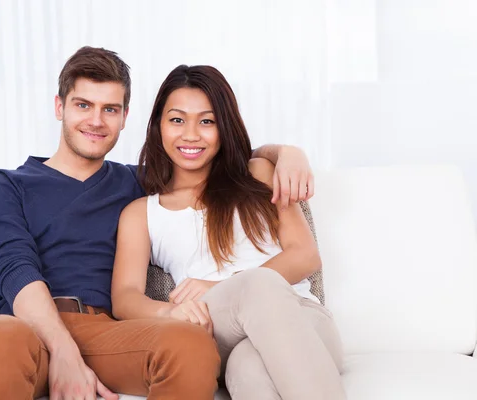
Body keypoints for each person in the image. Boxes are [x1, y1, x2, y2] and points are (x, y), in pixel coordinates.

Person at [0, 47, 316, 400]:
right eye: (83, 105)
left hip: (105, 332)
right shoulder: (9, 186)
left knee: (190, 345)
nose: (96, 121)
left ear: (125, 116)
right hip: (24, 328)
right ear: (60, 107)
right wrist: (63, 352)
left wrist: (285, 154)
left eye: (110, 109)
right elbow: (16, 270)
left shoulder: (138, 185)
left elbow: (212, 160)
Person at [111, 65, 346, 400]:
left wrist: (286, 153)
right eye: (177, 120)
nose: (191, 134)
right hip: (214, 322)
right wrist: (170, 312)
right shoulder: (142, 214)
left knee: (247, 368)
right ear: (158, 126)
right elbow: (125, 297)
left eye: (207, 121)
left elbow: (305, 255)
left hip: (304, 318)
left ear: (224, 126)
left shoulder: (259, 173)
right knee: (257, 285)